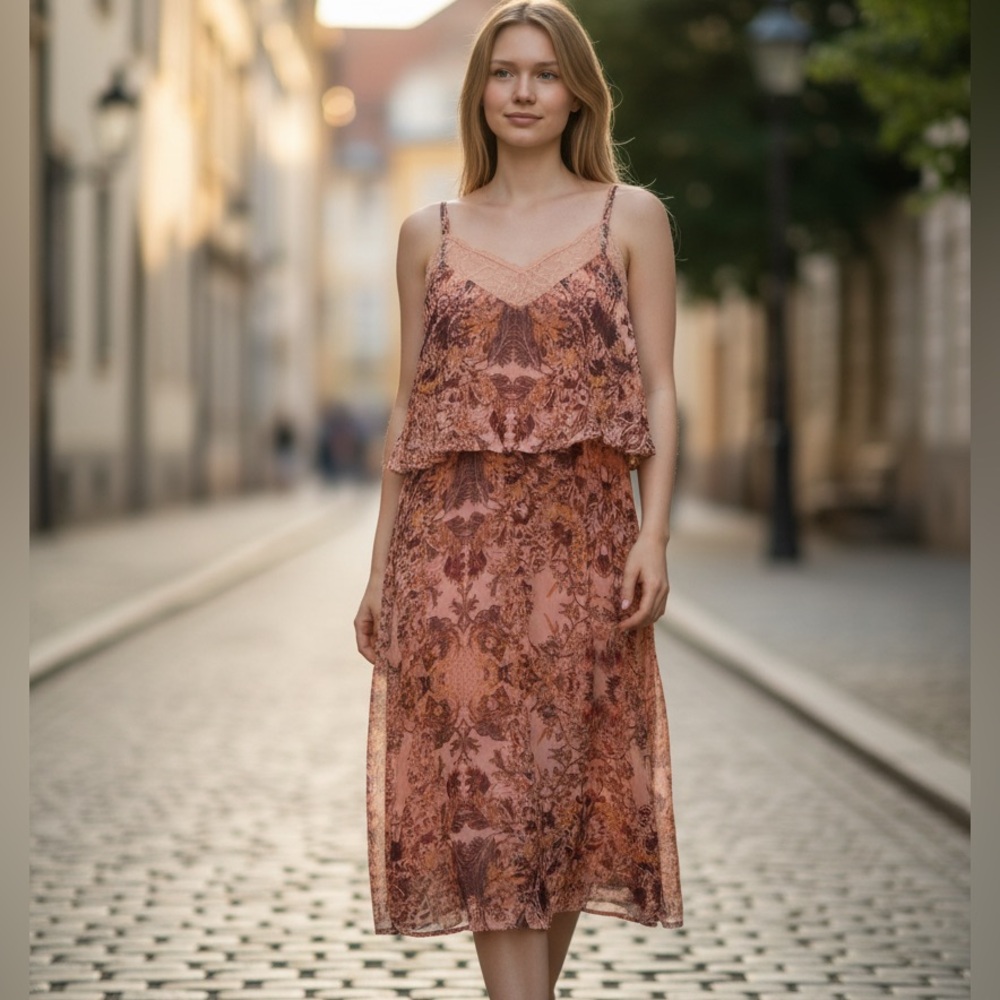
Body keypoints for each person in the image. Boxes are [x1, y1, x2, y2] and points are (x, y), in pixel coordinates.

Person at [353, 2, 683, 996]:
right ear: (479, 93)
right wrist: (380, 572)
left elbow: (661, 388)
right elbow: (409, 410)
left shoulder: (632, 217)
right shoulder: (427, 234)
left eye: (544, 73)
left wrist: (655, 535)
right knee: (488, 807)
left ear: (577, 92)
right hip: (453, 565)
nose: (524, 92)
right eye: (504, 73)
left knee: (565, 806)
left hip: (588, 554)